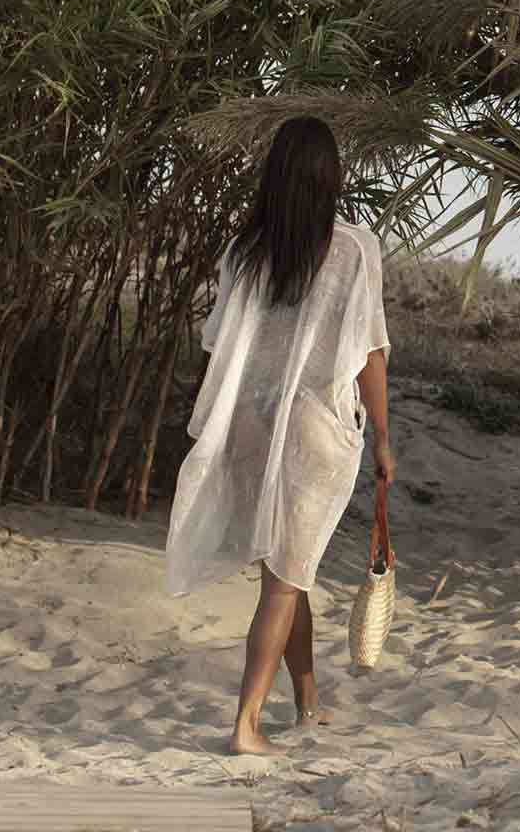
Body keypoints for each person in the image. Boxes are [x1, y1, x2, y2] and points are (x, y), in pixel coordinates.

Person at [164, 116, 394, 756]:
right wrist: (382, 437)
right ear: (331, 178)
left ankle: (308, 701)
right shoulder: (353, 249)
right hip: (317, 432)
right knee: (285, 582)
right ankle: (246, 724)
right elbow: (370, 354)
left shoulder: (245, 251)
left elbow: (221, 347)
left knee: (291, 570)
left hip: (251, 425)